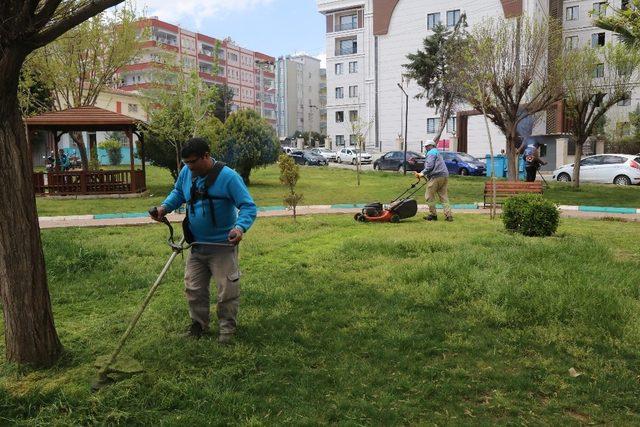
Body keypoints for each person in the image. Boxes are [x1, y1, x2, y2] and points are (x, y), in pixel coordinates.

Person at [150, 138, 257, 344]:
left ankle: (227, 330)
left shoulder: (228, 177)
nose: (188, 167)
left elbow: (248, 206)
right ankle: (198, 325)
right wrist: (164, 208)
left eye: (192, 162)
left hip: (222, 247)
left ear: (206, 156)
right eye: (185, 163)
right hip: (196, 245)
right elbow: (179, 193)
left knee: (227, 290)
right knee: (194, 288)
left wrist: (239, 227)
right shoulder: (186, 173)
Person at [414, 141, 453, 221]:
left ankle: (433, 215)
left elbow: (430, 166)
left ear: (431, 146)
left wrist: (421, 173)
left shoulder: (431, 153)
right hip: (444, 176)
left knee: (429, 196)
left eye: (427, 146)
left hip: (436, 176)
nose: (425, 148)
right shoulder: (437, 152)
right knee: (443, 197)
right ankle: (449, 216)